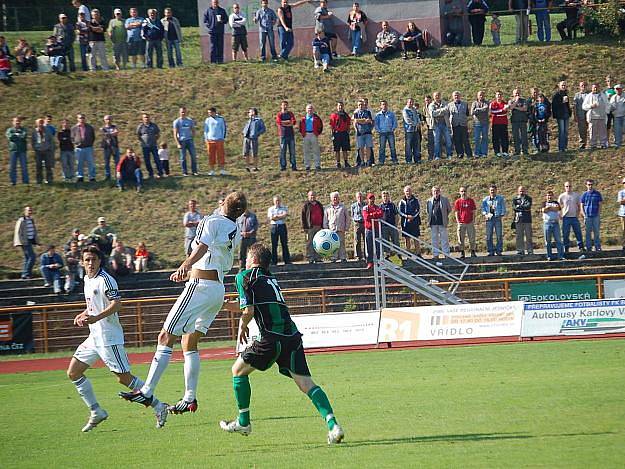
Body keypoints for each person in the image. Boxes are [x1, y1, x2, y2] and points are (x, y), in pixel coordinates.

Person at [121, 193, 246, 419]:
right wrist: (190, 270)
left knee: (165, 336)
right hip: (217, 288)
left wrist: (185, 265)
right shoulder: (234, 228)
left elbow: (202, 248)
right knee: (189, 341)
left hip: (200, 286)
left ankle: (147, 391)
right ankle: (189, 398)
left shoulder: (211, 220)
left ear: (224, 204)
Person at [220, 242, 344, 444]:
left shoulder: (244, 276)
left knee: (237, 371)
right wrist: (225, 306)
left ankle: (243, 421)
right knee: (306, 384)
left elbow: (248, 311)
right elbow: (248, 306)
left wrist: (242, 326)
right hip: (292, 337)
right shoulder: (270, 279)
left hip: (271, 338)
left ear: (254, 260)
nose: (244, 261)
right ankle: (333, 426)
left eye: (247, 257)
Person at [70, 245, 168, 432]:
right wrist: (83, 314)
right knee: (73, 372)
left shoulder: (106, 280)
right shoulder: (86, 279)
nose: (90, 263)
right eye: (87, 260)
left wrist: (96, 317)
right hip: (94, 337)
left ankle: (159, 406)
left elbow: (117, 304)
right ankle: (96, 411)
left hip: (109, 337)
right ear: (82, 262)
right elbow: (93, 306)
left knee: (124, 379)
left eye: (93, 259)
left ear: (100, 261)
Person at [558, 181, 585, 254]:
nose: (568, 188)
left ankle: (581, 247)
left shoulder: (576, 195)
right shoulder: (562, 196)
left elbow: (579, 205)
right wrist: (559, 215)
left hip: (574, 217)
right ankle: (566, 247)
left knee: (578, 232)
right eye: (567, 186)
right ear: (564, 187)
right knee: (565, 234)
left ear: (571, 187)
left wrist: (578, 214)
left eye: (570, 186)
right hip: (566, 217)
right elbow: (558, 206)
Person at [323, 192, 350, 262]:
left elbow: (347, 218)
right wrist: (325, 229)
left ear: (338, 198)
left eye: (336, 197)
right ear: (331, 198)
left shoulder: (343, 207)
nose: (335, 199)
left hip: (340, 228)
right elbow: (325, 219)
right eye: (333, 197)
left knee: (341, 243)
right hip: (331, 229)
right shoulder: (327, 208)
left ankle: (343, 257)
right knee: (332, 244)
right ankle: (333, 257)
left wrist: (346, 227)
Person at [14, 206, 39, 279]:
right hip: (24, 241)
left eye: (31, 210)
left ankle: (24, 274)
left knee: (27, 258)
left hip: (30, 240)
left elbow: (34, 230)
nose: (30, 212)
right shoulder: (21, 220)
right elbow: (18, 232)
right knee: (32, 257)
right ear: (25, 211)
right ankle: (27, 273)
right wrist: (19, 242)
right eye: (28, 210)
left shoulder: (31, 220)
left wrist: (36, 241)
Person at [427, 186, 452, 259]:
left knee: (444, 239)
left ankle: (446, 254)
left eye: (437, 191)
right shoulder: (429, 201)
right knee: (434, 240)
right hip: (433, 223)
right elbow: (428, 211)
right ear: (432, 192)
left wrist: (444, 216)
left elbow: (449, 209)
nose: (436, 192)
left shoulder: (445, 200)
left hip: (442, 222)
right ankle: (435, 254)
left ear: (439, 191)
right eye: (434, 191)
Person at [582, 83, 609, 150]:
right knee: (592, 132)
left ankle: (603, 144)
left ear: (599, 88)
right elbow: (584, 106)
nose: (595, 89)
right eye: (594, 87)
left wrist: (606, 112)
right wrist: (590, 106)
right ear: (592, 88)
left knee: (603, 132)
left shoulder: (603, 95)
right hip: (592, 117)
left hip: (602, 116)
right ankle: (593, 145)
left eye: (597, 87)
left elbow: (608, 105)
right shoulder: (589, 96)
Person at [481, 184, 506, 256]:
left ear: (496, 191)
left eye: (494, 190)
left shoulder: (500, 198)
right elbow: (483, 209)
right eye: (491, 190)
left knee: (499, 235)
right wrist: (485, 214)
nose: (492, 191)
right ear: (489, 191)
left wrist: (501, 214)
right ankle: (490, 251)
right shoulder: (485, 200)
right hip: (489, 219)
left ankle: (499, 250)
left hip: (497, 218)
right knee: (489, 235)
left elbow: (503, 208)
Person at [136, 113, 163, 179]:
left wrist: (155, 139)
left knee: (157, 159)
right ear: (142, 119)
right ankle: (150, 174)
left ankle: (160, 173)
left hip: (153, 145)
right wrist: (143, 141)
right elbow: (138, 135)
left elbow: (158, 134)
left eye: (147, 117)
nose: (146, 118)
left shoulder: (154, 125)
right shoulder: (140, 126)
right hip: (145, 147)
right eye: (145, 117)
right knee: (147, 161)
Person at [173, 107, 198, 176]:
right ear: (179, 112)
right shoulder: (177, 122)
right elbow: (175, 133)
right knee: (183, 157)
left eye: (184, 112)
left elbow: (193, 130)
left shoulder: (190, 121)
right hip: (181, 141)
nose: (183, 113)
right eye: (182, 112)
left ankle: (194, 171)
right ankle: (184, 172)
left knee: (193, 156)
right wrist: (177, 143)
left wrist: (192, 138)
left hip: (189, 140)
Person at [71, 114, 96, 182]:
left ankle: (92, 177)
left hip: (88, 148)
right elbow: (72, 137)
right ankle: (80, 177)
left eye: (83, 118)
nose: (82, 119)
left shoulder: (89, 127)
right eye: (80, 118)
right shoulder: (74, 128)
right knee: (79, 163)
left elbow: (93, 137)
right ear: (77, 119)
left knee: (90, 163)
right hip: (79, 148)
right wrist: (76, 143)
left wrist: (90, 143)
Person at [453, 187, 477, 258]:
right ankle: (462, 252)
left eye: (464, 191)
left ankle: (472, 251)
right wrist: (458, 221)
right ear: (459, 192)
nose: (463, 193)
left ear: (467, 192)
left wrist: (473, 220)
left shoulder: (471, 201)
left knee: (472, 238)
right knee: (460, 238)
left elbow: (473, 211)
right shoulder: (458, 201)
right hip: (461, 223)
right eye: (462, 191)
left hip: (469, 222)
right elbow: (456, 212)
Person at [204, 107, 228, 176]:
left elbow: (223, 128)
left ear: (214, 112)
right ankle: (212, 170)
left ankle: (222, 170)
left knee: (221, 155)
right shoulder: (207, 120)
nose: (209, 114)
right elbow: (206, 130)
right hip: (210, 140)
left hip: (219, 140)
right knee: (211, 155)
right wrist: (206, 139)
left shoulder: (220, 119)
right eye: (208, 113)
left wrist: (222, 138)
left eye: (210, 112)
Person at [240, 107, 266, 172]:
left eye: (250, 112)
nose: (249, 113)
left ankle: (255, 167)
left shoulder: (259, 120)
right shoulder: (249, 120)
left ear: (253, 112)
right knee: (246, 152)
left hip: (253, 138)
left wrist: (256, 134)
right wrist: (244, 132)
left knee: (254, 153)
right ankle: (247, 166)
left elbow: (263, 129)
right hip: (246, 138)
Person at [302, 191, 324, 263]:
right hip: (310, 227)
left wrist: (323, 226)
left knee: (318, 242)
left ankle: (318, 257)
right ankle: (310, 257)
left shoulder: (319, 204)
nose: (312, 197)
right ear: (308, 196)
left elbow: (323, 214)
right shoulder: (306, 205)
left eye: (314, 195)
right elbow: (303, 217)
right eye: (311, 196)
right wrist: (305, 227)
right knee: (310, 243)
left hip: (319, 226)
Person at [398, 185, 422, 255]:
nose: (408, 192)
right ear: (404, 192)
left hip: (415, 222)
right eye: (406, 191)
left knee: (416, 238)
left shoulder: (415, 200)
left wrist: (412, 217)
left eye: (409, 191)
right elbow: (399, 211)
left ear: (411, 192)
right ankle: (408, 254)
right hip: (405, 223)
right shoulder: (401, 201)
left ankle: (418, 254)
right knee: (407, 239)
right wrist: (407, 216)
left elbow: (418, 210)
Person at [362, 193, 384, 269]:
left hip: (377, 229)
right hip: (369, 229)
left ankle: (378, 261)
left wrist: (372, 215)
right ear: (367, 200)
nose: (372, 200)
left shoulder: (377, 207)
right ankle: (370, 262)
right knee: (369, 246)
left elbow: (380, 214)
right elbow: (366, 217)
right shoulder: (365, 208)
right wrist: (374, 215)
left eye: (373, 198)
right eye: (370, 198)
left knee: (378, 246)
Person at [580, 179, 602, 252]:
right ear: (586, 185)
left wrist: (598, 214)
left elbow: (600, 205)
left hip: (595, 216)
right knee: (588, 233)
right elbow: (581, 206)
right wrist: (584, 215)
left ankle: (597, 247)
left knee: (596, 232)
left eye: (591, 184)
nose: (590, 186)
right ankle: (589, 247)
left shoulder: (597, 194)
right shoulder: (584, 195)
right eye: (589, 184)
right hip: (588, 216)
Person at [448, 91, 472, 159]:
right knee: (457, 141)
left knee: (466, 140)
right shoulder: (449, 105)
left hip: (463, 125)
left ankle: (469, 154)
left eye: (457, 95)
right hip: (455, 125)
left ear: (460, 96)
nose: (456, 97)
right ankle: (460, 154)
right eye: (455, 95)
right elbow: (448, 115)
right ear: (452, 97)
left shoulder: (465, 104)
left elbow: (467, 114)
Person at [429, 92, 453, 160]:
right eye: (436, 96)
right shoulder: (431, 105)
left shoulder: (445, 103)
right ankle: (437, 156)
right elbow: (433, 113)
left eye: (438, 95)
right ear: (433, 97)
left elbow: (447, 110)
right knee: (437, 141)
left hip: (445, 124)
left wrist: (438, 112)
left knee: (448, 140)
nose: (437, 97)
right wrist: (442, 111)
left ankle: (449, 155)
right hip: (436, 125)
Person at [299, 104, 323, 170]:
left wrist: (317, 133)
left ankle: (317, 165)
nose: (310, 110)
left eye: (311, 108)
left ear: (313, 110)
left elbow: (320, 126)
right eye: (308, 108)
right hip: (306, 134)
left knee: (316, 150)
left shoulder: (316, 118)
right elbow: (300, 127)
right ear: (306, 110)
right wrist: (303, 133)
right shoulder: (303, 118)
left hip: (314, 134)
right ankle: (307, 165)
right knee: (306, 151)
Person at [6, 116, 29, 185]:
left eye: (18, 121)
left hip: (22, 150)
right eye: (16, 121)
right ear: (13, 122)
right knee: (12, 167)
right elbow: (10, 137)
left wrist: (16, 136)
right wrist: (18, 135)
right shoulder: (9, 130)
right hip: (13, 150)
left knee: (24, 166)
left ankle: (25, 181)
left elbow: (24, 136)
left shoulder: (24, 129)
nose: (17, 122)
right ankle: (13, 181)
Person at [268, 195, 291, 264]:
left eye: (278, 200)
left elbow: (285, 215)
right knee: (274, 244)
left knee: (284, 243)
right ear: (273, 201)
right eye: (276, 201)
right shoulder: (271, 209)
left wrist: (277, 216)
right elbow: (272, 218)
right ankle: (274, 261)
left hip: (282, 226)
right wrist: (280, 216)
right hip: (274, 227)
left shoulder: (284, 207)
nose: (277, 202)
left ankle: (287, 260)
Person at [542, 191, 565, 260]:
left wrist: (549, 208)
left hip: (555, 223)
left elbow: (557, 209)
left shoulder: (556, 203)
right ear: (546, 196)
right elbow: (544, 210)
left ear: (553, 196)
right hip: (547, 223)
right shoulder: (544, 203)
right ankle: (549, 256)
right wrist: (552, 209)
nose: (549, 197)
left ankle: (560, 255)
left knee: (558, 240)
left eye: (551, 195)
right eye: (548, 195)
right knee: (548, 241)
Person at [31, 118, 55, 185]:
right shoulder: (34, 132)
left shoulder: (48, 131)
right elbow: (32, 141)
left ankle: (49, 180)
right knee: (38, 166)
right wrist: (35, 148)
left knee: (48, 166)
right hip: (38, 151)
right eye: (39, 123)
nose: (40, 124)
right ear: (36, 124)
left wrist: (50, 148)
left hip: (47, 151)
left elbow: (51, 140)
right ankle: (39, 181)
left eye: (42, 122)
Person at [374, 100, 398, 164]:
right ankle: (381, 161)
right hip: (382, 133)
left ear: (387, 105)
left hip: (390, 132)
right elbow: (376, 124)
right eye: (383, 104)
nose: (384, 106)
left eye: (385, 104)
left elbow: (395, 122)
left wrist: (392, 129)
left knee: (392, 147)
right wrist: (379, 130)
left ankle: (394, 160)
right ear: (380, 106)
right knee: (382, 148)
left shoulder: (391, 114)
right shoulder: (378, 115)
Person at [276, 100, 298, 171]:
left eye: (286, 105)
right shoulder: (279, 114)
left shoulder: (290, 113)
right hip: (282, 135)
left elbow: (293, 122)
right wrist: (288, 122)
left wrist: (286, 122)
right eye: (283, 105)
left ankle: (293, 166)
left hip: (291, 135)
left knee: (292, 151)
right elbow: (279, 122)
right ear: (281, 106)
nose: (285, 106)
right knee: (283, 151)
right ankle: (283, 166)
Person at [512, 186, 534, 255]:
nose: (522, 192)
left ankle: (530, 250)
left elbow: (528, 206)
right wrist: (523, 207)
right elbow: (514, 208)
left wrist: (520, 207)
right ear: (518, 191)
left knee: (529, 236)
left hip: (527, 219)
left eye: (523, 191)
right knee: (519, 236)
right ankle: (520, 250)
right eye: (520, 191)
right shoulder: (515, 199)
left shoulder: (529, 198)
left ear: (525, 191)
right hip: (518, 220)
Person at [329, 102, 352, 168]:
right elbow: (332, 126)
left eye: (341, 106)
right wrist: (332, 134)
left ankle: (346, 162)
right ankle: (338, 163)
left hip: (344, 133)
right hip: (337, 134)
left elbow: (348, 124)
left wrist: (348, 131)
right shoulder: (334, 115)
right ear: (337, 107)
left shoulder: (346, 115)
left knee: (345, 149)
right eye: (339, 106)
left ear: (343, 106)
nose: (340, 107)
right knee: (337, 150)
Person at [353, 99, 375, 166]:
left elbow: (369, 121)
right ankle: (362, 161)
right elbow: (356, 121)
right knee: (361, 148)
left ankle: (368, 161)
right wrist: (364, 120)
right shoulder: (356, 113)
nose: (360, 106)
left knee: (368, 147)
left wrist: (361, 121)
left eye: (361, 104)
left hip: (368, 132)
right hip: (359, 133)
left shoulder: (368, 112)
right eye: (359, 105)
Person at [552, 81, 572, 152]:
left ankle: (565, 147)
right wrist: (562, 102)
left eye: (565, 85)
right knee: (562, 131)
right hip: (560, 116)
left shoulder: (566, 94)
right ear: (559, 86)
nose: (563, 86)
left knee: (566, 132)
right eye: (562, 85)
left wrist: (570, 112)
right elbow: (554, 106)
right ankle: (561, 147)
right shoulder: (556, 95)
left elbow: (567, 104)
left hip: (566, 115)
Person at [509, 88, 529, 156]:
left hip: (523, 120)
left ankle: (525, 150)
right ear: (513, 94)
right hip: (514, 121)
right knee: (516, 136)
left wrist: (516, 107)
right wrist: (516, 101)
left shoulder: (524, 100)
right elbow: (511, 107)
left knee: (524, 136)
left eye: (518, 93)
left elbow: (525, 109)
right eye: (515, 93)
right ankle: (517, 151)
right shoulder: (511, 101)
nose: (517, 94)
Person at [402, 98, 422, 163]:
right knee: (408, 146)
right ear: (407, 102)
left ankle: (417, 159)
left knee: (416, 145)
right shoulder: (405, 110)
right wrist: (416, 124)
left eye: (412, 102)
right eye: (410, 102)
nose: (411, 103)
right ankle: (408, 160)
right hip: (409, 131)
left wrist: (419, 123)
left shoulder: (414, 109)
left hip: (416, 130)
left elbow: (417, 117)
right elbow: (408, 120)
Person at [490, 91, 510, 157]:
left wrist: (501, 111)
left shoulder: (505, 103)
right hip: (495, 123)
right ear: (496, 96)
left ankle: (505, 151)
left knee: (504, 137)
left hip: (503, 123)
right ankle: (497, 151)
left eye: (500, 95)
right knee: (495, 138)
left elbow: (506, 111)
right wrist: (501, 110)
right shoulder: (493, 103)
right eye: (498, 95)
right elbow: (492, 111)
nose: (499, 96)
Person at [380, 191, 400, 256]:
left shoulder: (392, 205)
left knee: (395, 241)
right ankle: (387, 255)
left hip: (392, 226)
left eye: (386, 196)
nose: (385, 198)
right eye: (384, 196)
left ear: (389, 197)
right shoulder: (380, 206)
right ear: (382, 197)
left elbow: (396, 215)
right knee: (385, 241)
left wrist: (396, 225)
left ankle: (397, 254)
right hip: (384, 227)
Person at [100, 115, 120, 181]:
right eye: (106, 119)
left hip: (114, 146)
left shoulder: (114, 126)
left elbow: (116, 133)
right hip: (106, 147)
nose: (108, 120)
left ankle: (118, 175)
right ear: (104, 120)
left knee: (117, 162)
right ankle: (107, 176)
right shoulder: (102, 128)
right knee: (106, 162)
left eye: (109, 119)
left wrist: (108, 134)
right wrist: (111, 133)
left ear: (111, 120)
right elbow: (104, 134)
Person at [471, 91, 490, 157]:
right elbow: (472, 112)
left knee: (485, 138)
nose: (481, 96)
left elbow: (486, 109)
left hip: (485, 123)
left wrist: (477, 110)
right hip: (477, 123)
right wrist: (480, 110)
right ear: (477, 96)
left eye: (482, 95)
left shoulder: (487, 102)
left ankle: (484, 153)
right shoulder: (474, 103)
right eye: (480, 95)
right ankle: (476, 153)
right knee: (477, 138)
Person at [573, 81, 589, 150]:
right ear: (579, 87)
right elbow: (574, 107)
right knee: (582, 130)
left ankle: (591, 143)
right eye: (582, 85)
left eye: (584, 85)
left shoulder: (589, 94)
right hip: (580, 115)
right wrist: (575, 116)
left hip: (589, 115)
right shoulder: (577, 95)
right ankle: (582, 144)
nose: (583, 86)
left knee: (590, 130)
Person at [610, 84, 625, 148]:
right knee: (617, 130)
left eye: (619, 89)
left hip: (624, 115)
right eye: (617, 89)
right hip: (616, 116)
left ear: (621, 89)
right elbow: (610, 107)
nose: (618, 90)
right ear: (615, 90)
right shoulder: (613, 97)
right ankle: (617, 144)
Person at [618, 177, 625, 252]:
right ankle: (624, 245)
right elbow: (620, 202)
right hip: (623, 213)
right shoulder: (621, 192)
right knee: (624, 230)